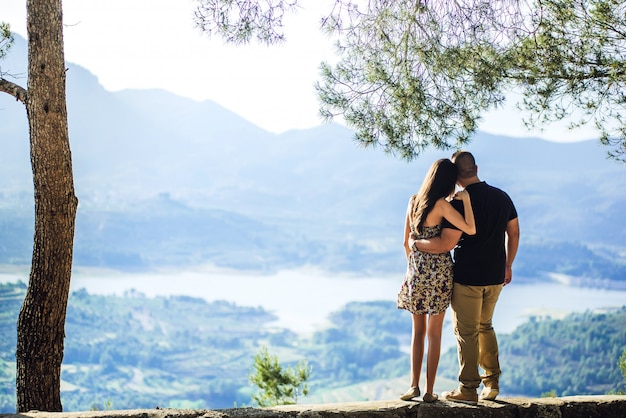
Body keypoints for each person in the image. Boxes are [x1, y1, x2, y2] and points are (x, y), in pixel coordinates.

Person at [412, 151, 520, 404]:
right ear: (476, 168)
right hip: (495, 275)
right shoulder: (502, 197)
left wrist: (416, 244)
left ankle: (468, 389)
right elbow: (513, 233)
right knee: (486, 326)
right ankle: (492, 383)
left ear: (457, 176)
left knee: (466, 332)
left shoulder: (457, 202)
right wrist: (509, 265)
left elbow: (446, 242)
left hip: (468, 276)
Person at [397, 158, 477, 403]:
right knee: (434, 334)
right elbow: (470, 228)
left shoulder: (413, 201)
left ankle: (413, 386)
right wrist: (467, 201)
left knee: (417, 332)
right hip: (439, 275)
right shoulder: (441, 205)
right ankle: (430, 391)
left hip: (415, 273)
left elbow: (405, 243)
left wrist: (415, 265)